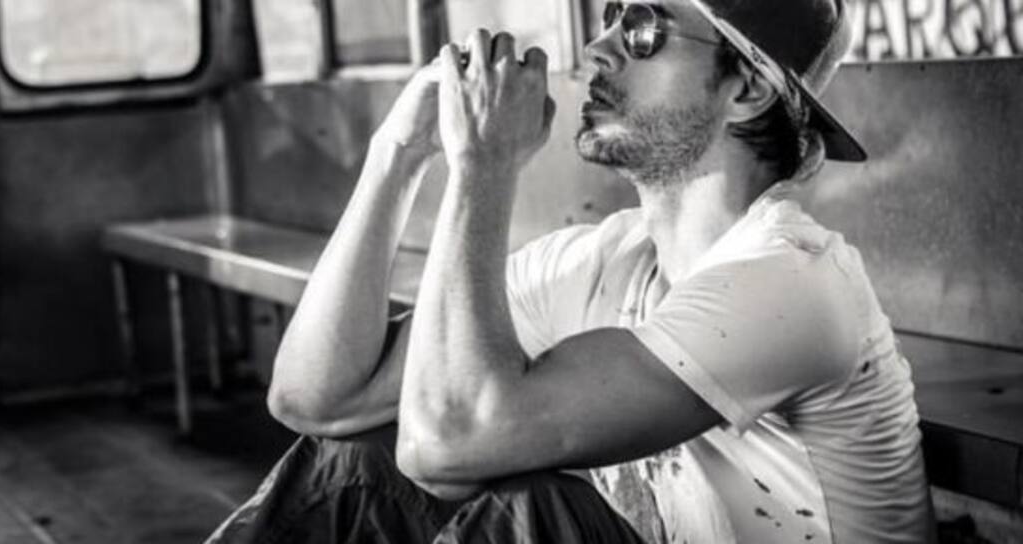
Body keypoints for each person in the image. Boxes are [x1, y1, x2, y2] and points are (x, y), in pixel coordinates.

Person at [207, 0, 935, 542]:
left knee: (536, 515)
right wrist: (398, 153)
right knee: (357, 468)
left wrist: (484, 162)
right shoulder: (597, 262)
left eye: (643, 28)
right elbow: (315, 399)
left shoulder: (791, 281)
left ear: (746, 87)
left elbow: (445, 445)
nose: (599, 48)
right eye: (611, 15)